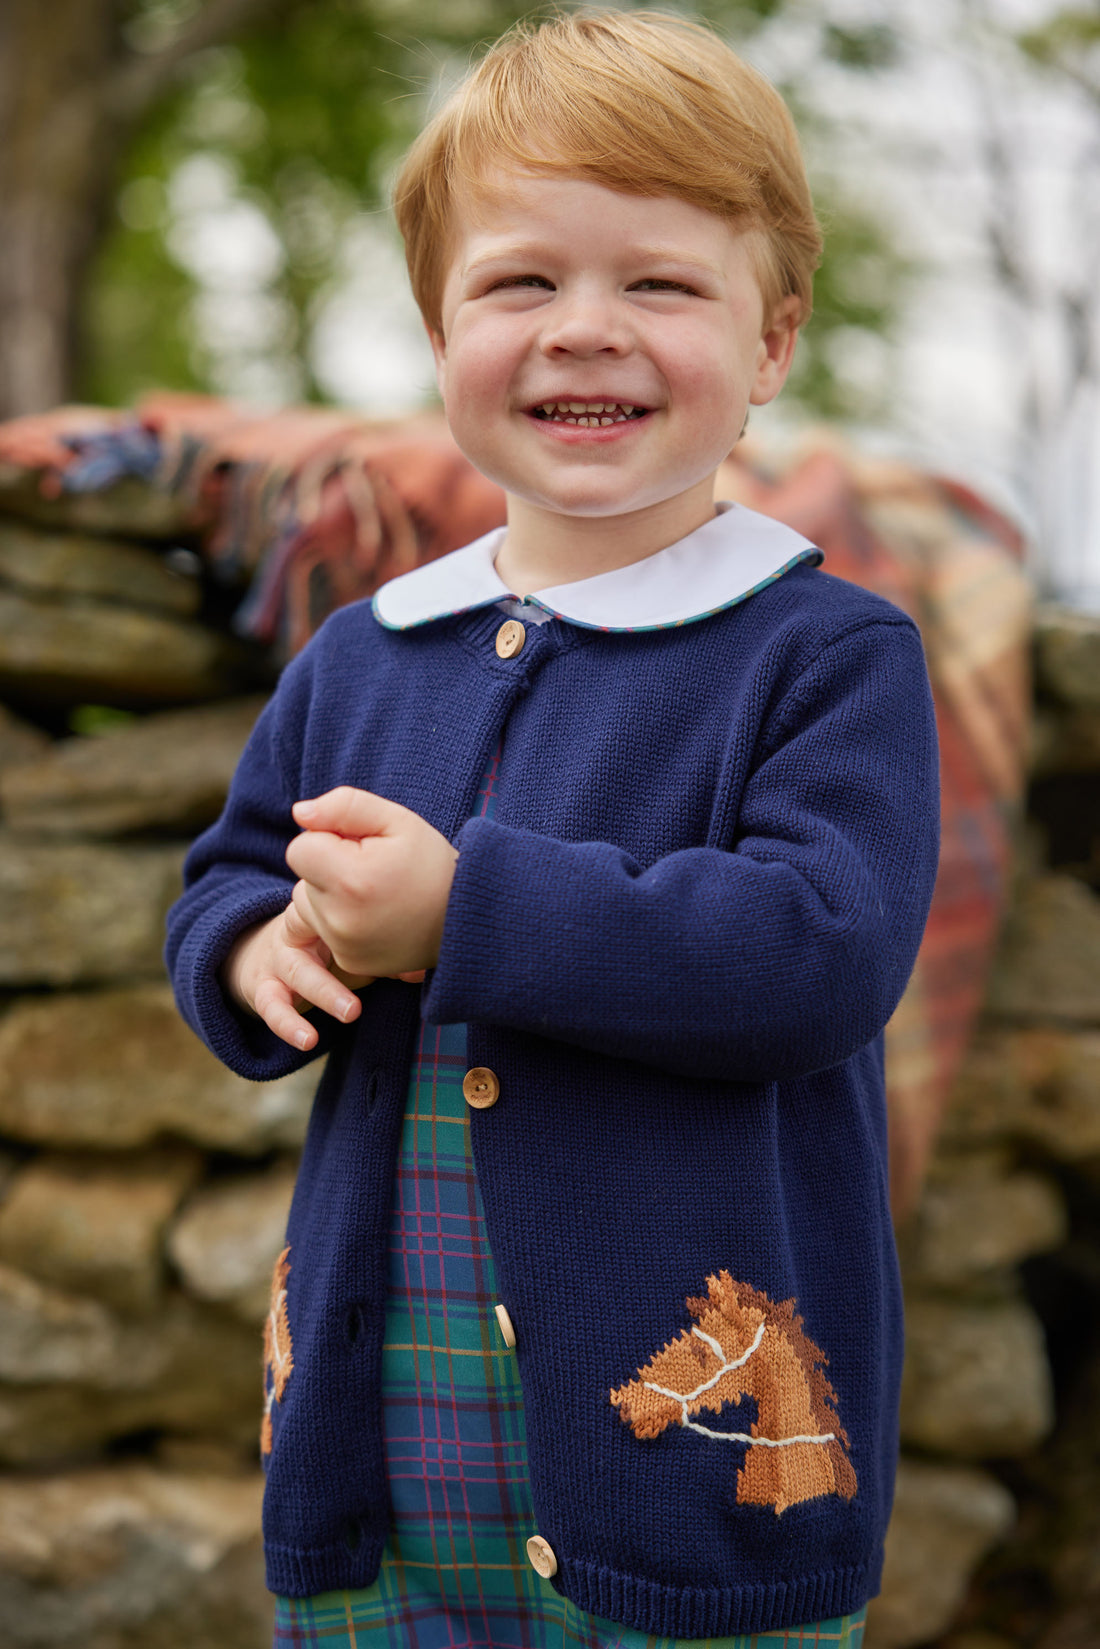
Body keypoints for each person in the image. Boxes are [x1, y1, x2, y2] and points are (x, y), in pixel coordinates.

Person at [165, 11, 940, 1647]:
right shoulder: (364, 652)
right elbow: (233, 870)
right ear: (440, 330)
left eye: (659, 285)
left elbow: (821, 952)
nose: (586, 331)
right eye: (521, 284)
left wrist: (467, 913)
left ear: (775, 338)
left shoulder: (822, 652)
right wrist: (253, 950)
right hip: (384, 1472)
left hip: (694, 1498)